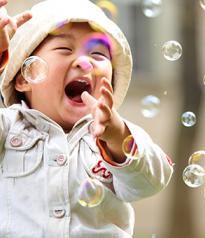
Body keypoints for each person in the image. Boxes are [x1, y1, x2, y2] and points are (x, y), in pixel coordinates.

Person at [0, 0, 173, 237]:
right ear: (25, 76)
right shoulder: (8, 128)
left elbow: (150, 183)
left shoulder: (116, 137)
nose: (84, 62)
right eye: (64, 49)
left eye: (98, 53)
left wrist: (117, 136)